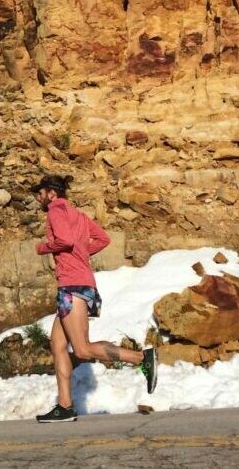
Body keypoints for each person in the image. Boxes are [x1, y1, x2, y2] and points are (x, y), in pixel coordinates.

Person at [31, 174, 157, 423]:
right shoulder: (78, 214)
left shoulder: (55, 210)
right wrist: (81, 252)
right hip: (80, 284)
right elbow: (103, 239)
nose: (38, 197)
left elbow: (65, 240)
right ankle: (65, 406)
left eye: (40, 193)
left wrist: (43, 248)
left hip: (72, 286)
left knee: (82, 348)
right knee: (57, 345)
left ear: (52, 194)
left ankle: (142, 358)